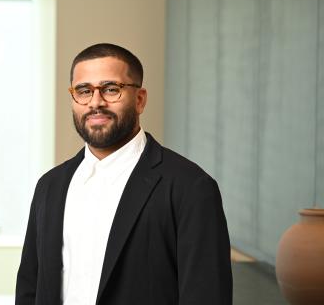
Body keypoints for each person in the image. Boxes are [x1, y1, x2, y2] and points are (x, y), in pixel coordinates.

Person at [16, 43, 232, 305]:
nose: (96, 102)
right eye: (84, 91)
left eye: (111, 89)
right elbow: (30, 287)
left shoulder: (191, 187)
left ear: (139, 99)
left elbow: (206, 296)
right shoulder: (50, 186)